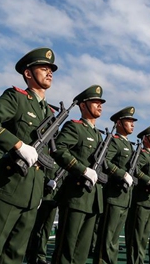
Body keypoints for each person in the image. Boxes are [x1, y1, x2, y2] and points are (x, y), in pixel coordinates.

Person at [0, 47, 58, 263]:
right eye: (43, 68)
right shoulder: (16, 98)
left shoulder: (49, 113)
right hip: (8, 187)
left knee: (15, 255)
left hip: (32, 191)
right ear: (28, 73)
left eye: (51, 70)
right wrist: (17, 144)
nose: (49, 73)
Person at [51, 85, 106, 264]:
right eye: (95, 102)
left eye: (100, 103)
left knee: (81, 251)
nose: (99, 105)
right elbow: (58, 150)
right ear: (83, 105)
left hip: (93, 198)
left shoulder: (98, 135)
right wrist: (82, 169)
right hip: (75, 195)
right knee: (66, 248)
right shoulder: (75, 127)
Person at [93, 106, 138, 264]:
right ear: (119, 123)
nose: (132, 124)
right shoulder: (114, 141)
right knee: (107, 237)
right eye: (129, 121)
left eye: (133, 122)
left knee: (114, 239)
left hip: (124, 198)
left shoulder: (130, 145)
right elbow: (105, 161)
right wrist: (122, 174)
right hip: (113, 196)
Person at [124, 125, 150, 264]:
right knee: (136, 236)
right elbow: (135, 170)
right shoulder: (141, 154)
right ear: (145, 139)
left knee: (143, 237)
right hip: (140, 200)